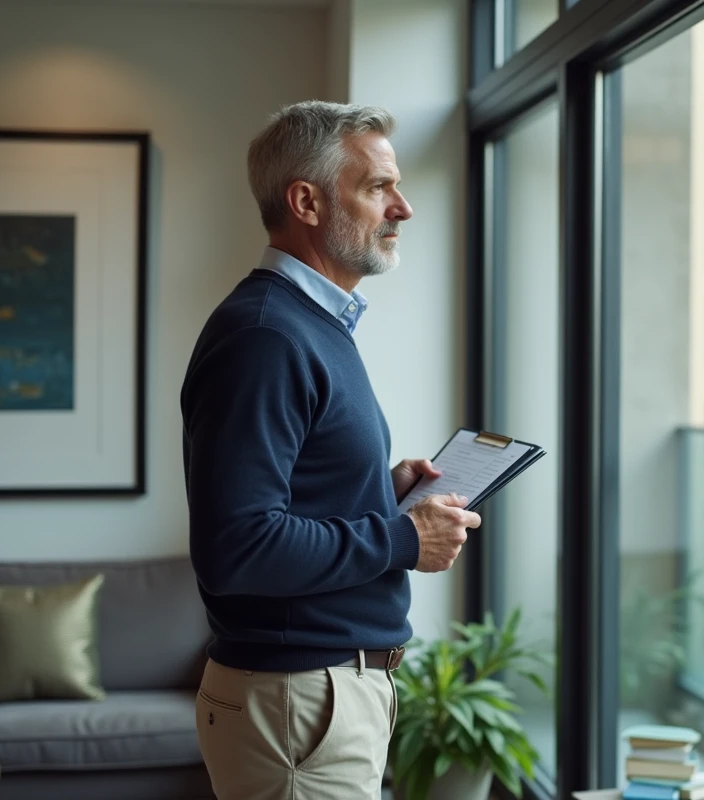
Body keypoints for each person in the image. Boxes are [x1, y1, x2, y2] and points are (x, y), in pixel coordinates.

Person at [180, 100, 482, 800]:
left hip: (311, 698)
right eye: (378, 187)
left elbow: (287, 494)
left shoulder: (308, 325)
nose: (402, 208)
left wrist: (378, 485)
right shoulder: (268, 337)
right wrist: (403, 538)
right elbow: (238, 548)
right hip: (299, 701)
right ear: (307, 201)